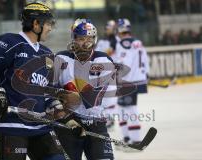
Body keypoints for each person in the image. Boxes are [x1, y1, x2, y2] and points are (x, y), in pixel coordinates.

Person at [0, 2, 72, 160]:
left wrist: (60, 111)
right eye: (48, 24)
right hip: (10, 126)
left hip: (41, 126)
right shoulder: (10, 42)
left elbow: (47, 93)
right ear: (36, 23)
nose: (50, 28)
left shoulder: (47, 54)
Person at [53, 19, 114, 160]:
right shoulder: (60, 58)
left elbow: (101, 94)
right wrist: (64, 114)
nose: (86, 42)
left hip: (96, 122)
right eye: (81, 38)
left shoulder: (103, 61)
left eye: (89, 38)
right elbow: (51, 88)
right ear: (74, 39)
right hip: (68, 123)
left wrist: (76, 97)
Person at [113, 18, 149, 147]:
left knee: (129, 108)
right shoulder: (138, 42)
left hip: (128, 81)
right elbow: (145, 59)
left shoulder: (122, 43)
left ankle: (136, 140)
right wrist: (145, 76)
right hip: (137, 80)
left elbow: (124, 65)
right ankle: (127, 137)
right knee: (122, 108)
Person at [95, 20, 118, 129]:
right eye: (107, 27)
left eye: (110, 28)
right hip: (100, 71)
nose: (107, 30)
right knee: (102, 96)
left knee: (110, 97)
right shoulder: (101, 41)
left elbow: (109, 53)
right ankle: (106, 118)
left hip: (110, 70)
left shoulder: (116, 41)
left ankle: (110, 119)